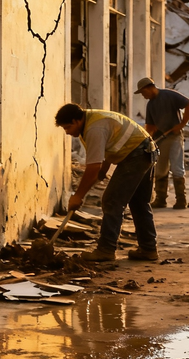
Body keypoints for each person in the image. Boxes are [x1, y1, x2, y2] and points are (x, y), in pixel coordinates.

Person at [55, 103, 158, 263]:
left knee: (111, 201)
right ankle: (148, 249)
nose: (67, 133)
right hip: (146, 150)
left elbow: (92, 167)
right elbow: (112, 144)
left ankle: (106, 250)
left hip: (136, 155)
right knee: (139, 202)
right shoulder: (92, 119)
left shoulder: (94, 129)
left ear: (76, 121)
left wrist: (78, 196)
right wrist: (104, 171)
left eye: (68, 127)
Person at [134, 77, 189, 209]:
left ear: (149, 88)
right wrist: (147, 140)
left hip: (174, 136)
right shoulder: (150, 105)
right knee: (161, 170)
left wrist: (182, 124)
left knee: (177, 168)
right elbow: (150, 126)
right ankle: (161, 199)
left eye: (144, 93)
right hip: (160, 139)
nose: (144, 96)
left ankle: (181, 200)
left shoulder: (169, 95)